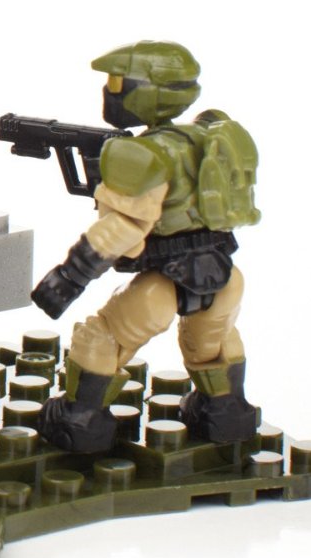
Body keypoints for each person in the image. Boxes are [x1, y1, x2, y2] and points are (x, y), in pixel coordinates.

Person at [31, 41, 261, 453]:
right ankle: (226, 415)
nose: (109, 90)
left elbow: (125, 227)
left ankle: (80, 423)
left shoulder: (139, 154)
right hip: (225, 276)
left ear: (146, 92)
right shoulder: (212, 135)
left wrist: (69, 276)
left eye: (117, 83)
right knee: (213, 345)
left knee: (101, 338)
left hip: (162, 285)